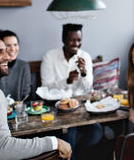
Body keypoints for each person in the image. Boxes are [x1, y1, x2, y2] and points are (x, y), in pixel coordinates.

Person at [41, 24, 101, 160]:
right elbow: (46, 87)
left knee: (97, 132)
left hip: (81, 108)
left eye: (79, 40)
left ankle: (77, 153)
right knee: (69, 134)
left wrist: (84, 73)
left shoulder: (85, 56)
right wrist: (67, 81)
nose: (76, 44)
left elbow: (87, 89)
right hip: (58, 109)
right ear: (63, 40)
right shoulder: (50, 57)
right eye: (72, 40)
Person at [0, 29, 31, 101]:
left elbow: (26, 93)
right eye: (8, 45)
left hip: (20, 108)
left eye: (15, 45)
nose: (13, 49)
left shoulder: (23, 66)